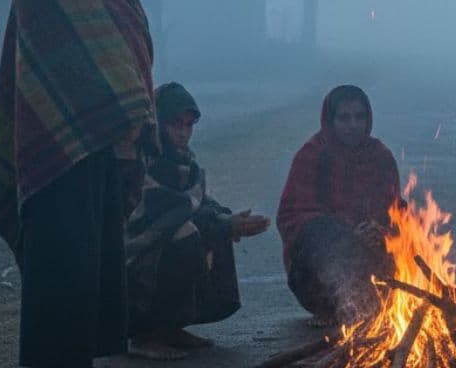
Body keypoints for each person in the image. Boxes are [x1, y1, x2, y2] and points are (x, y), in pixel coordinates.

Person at [0, 0, 155, 368]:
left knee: (91, 272)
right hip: (57, 147)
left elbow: (123, 41)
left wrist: (127, 123)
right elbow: (66, 53)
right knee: (60, 271)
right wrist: (122, 106)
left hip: (104, 144)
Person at [125, 83, 271, 360]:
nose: (183, 133)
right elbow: (166, 214)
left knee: (215, 225)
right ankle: (144, 334)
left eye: (188, 125)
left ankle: (171, 327)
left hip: (158, 249)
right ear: (157, 123)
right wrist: (222, 224)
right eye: (175, 124)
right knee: (188, 235)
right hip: (134, 263)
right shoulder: (142, 161)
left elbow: (200, 203)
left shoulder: (186, 164)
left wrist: (227, 220)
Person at [277, 85, 401, 327]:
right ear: (330, 120)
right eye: (344, 118)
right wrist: (347, 232)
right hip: (318, 276)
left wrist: (381, 231)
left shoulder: (380, 157)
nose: (353, 125)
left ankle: (377, 305)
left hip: (373, 265)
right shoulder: (312, 155)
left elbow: (396, 211)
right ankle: (332, 310)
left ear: (369, 120)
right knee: (322, 230)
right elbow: (291, 217)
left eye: (360, 117)